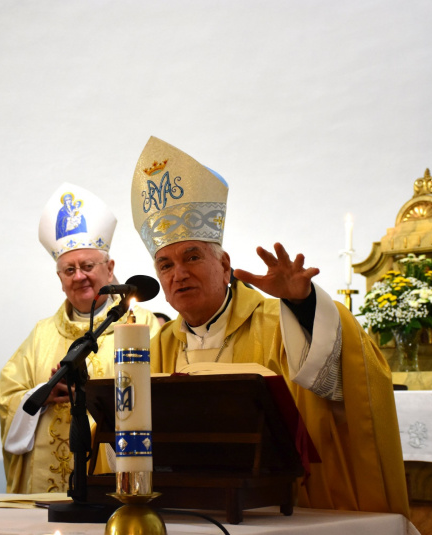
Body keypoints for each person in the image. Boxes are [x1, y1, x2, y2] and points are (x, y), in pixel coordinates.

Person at [130, 137, 410, 516]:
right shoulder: (156, 346)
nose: (178, 274)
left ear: (225, 266)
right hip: (188, 508)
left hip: (284, 508)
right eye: (165, 265)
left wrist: (303, 304)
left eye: (192, 257)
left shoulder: (280, 324)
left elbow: (345, 379)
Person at [0, 182, 160, 494]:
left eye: (87, 266)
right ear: (60, 279)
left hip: (114, 476)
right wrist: (43, 393)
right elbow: (7, 400)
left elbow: (160, 396)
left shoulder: (145, 327)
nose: (79, 277)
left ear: (109, 269)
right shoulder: (41, 334)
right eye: (68, 270)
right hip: (45, 490)